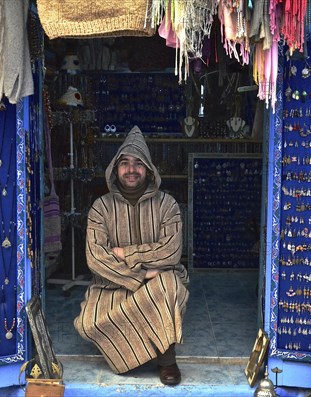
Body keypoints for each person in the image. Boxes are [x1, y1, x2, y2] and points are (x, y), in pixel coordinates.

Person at [74, 126, 189, 386]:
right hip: (113, 283)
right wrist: (141, 273)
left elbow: (171, 251)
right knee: (87, 323)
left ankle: (166, 359)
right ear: (115, 169)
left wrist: (126, 252)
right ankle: (130, 356)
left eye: (138, 163)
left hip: (160, 280)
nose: (131, 169)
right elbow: (95, 257)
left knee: (168, 286)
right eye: (124, 163)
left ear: (149, 169)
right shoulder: (101, 207)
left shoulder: (167, 205)